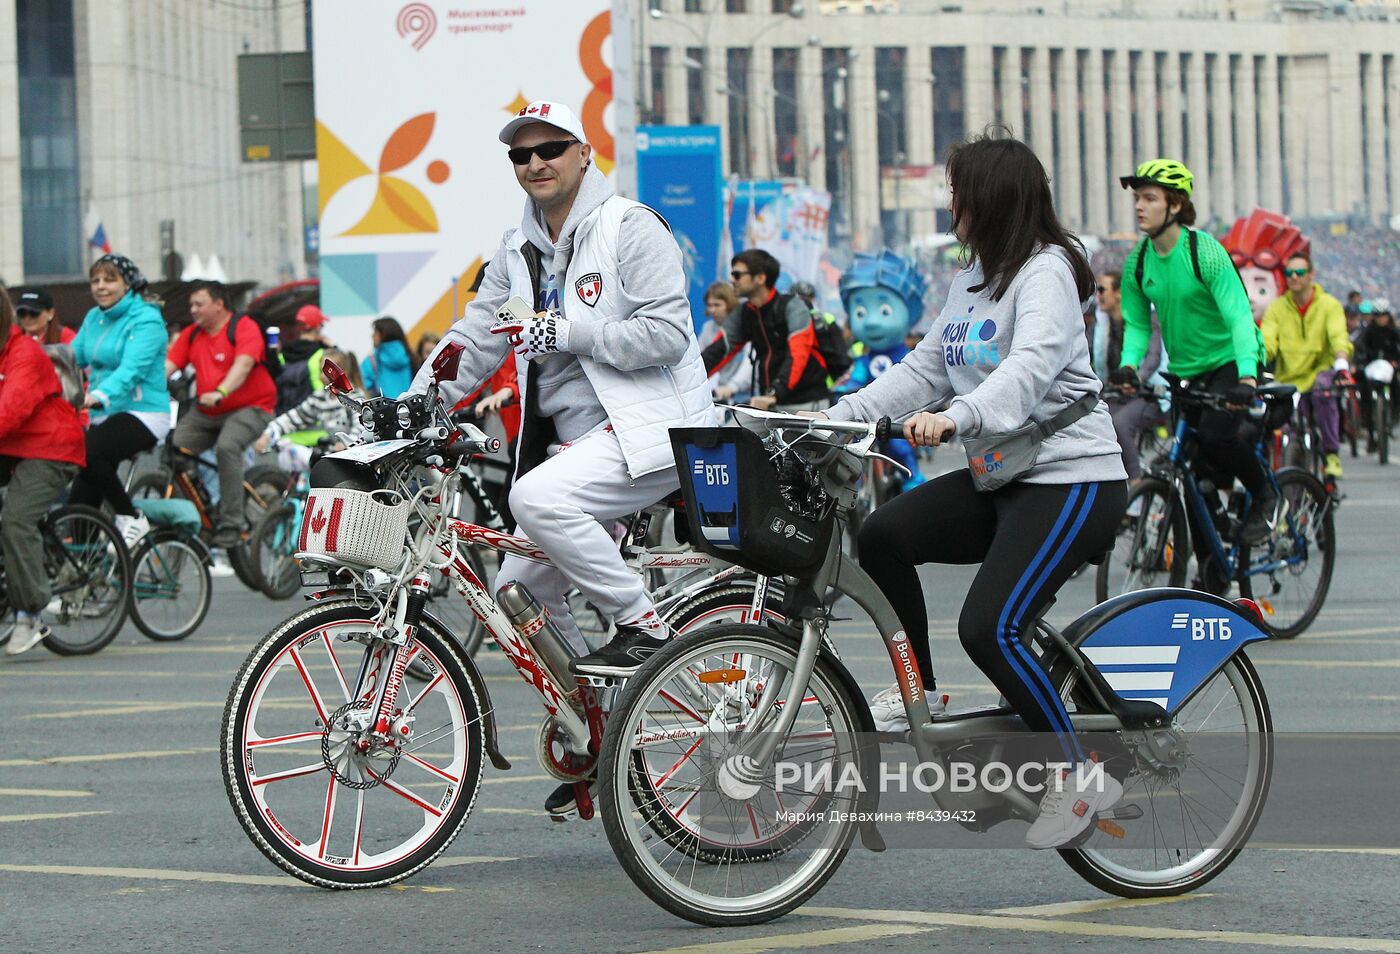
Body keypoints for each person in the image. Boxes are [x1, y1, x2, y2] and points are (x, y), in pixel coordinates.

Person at [816, 132, 1128, 849]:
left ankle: (1079, 779)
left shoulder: (1046, 272)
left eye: (957, 188)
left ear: (989, 195)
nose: (949, 200)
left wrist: (959, 417)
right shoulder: (972, 279)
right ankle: (917, 689)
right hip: (1003, 477)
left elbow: (1029, 369)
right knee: (882, 535)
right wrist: (829, 420)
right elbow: (922, 369)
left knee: (989, 627)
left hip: (1072, 479)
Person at [408, 99, 715, 814]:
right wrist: (413, 404)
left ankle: (646, 629)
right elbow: (473, 342)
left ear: (583, 153)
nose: (536, 163)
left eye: (550, 148)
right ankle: (605, 733)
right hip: (568, 450)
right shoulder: (514, 253)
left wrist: (565, 328)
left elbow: (668, 334)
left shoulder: (630, 227)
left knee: (535, 502)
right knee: (517, 600)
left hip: (647, 432)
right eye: (521, 154)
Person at [1114, 159, 1274, 543]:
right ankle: (1212, 566)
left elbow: (1239, 318)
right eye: (1137, 198)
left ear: (1175, 205)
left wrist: (1248, 376)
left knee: (1216, 437)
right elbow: (1137, 325)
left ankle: (1267, 496)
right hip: (1186, 369)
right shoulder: (1137, 263)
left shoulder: (1205, 252)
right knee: (1194, 472)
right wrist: (1128, 367)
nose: (1139, 206)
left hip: (1232, 361)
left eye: (1149, 198)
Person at [0, 287, 87, 655]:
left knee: (16, 520)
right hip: (13, 446)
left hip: (51, 446)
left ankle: (29, 612)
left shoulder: (24, 354)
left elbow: (11, 410)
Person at [67, 255, 171, 548]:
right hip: (105, 415)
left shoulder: (147, 319)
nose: (100, 287)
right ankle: (83, 581)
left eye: (109, 279)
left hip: (143, 413)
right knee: (79, 506)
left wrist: (99, 395)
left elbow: (132, 369)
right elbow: (71, 357)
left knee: (87, 450)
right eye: (95, 280)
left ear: (128, 284)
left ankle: (131, 516)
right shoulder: (93, 317)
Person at [164, 280, 278, 547]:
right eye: (191, 304)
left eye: (198, 304)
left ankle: (232, 522)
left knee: (227, 446)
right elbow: (166, 367)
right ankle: (200, 512)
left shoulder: (243, 327)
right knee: (174, 449)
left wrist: (221, 391)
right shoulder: (192, 335)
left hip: (252, 406)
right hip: (207, 411)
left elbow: (244, 363)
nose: (192, 309)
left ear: (219, 304)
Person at [701, 249, 831, 411]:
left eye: (737, 275)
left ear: (760, 278)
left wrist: (774, 393)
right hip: (769, 405)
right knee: (731, 433)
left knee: (796, 436)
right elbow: (719, 350)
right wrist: (690, 381)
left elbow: (798, 356)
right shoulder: (744, 313)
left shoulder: (792, 307)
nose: (731, 280)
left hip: (804, 403)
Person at [1260, 254, 1352, 479]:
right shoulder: (1276, 308)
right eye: (1289, 273)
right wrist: (1255, 360)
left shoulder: (1329, 305)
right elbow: (1267, 341)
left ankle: (1331, 454)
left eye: (1299, 272)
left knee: (1325, 392)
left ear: (1311, 275)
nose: (1294, 277)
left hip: (1318, 376)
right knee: (1277, 428)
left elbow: (1338, 336)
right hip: (1288, 379)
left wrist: (1341, 365)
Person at [1094, 271, 1166, 481]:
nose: (1098, 295)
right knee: (1094, 420)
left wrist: (1135, 379)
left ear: (1118, 293)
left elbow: (1153, 357)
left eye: (1102, 289)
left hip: (1149, 394)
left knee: (1119, 424)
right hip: (1115, 394)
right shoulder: (1102, 326)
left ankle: (1135, 482)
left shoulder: (1146, 318)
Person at [1355, 306, 1400, 450]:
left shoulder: (1394, 332)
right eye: (1378, 316)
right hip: (1371, 368)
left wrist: (1395, 361)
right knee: (1365, 394)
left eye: (1384, 316)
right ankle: (1369, 428)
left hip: (1389, 367)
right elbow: (1359, 346)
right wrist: (1364, 359)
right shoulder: (1368, 331)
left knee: (1396, 387)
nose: (1381, 319)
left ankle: (1394, 413)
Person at [275, 304, 332, 414]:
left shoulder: (283, 353)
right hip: (316, 418)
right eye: (322, 325)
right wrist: (333, 347)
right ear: (317, 327)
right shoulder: (323, 353)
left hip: (286, 420)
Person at [698, 282, 750, 403]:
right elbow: (701, 361)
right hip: (716, 393)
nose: (712, 310)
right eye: (709, 305)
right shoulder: (708, 327)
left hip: (743, 395)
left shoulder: (744, 326)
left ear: (730, 304)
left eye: (717, 305)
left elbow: (748, 364)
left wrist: (732, 387)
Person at [361, 317, 417, 399]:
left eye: (375, 332)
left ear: (383, 335)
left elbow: (364, 390)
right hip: (410, 407)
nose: (372, 335)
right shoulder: (413, 357)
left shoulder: (370, 362)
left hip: (383, 410)